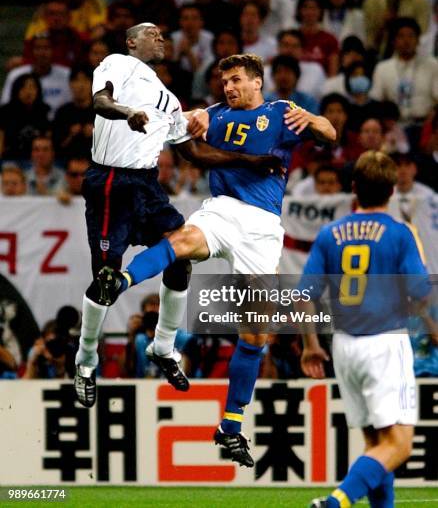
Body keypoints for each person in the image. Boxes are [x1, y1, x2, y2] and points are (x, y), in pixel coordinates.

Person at [94, 53, 336, 466]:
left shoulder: (281, 112)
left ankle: (230, 426)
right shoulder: (213, 115)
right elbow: (177, 132)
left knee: (257, 335)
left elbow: (330, 133)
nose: (229, 87)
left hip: (263, 229)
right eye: (224, 81)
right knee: (185, 240)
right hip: (223, 209)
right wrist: (188, 124)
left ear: (257, 83)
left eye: (237, 80)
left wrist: (312, 121)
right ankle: (120, 281)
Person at [73, 27, 283, 408]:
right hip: (109, 183)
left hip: (147, 185)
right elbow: (102, 103)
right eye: (150, 34)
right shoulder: (118, 64)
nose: (160, 38)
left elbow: (196, 155)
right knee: (104, 280)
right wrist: (129, 112)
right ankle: (86, 360)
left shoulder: (169, 101)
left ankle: (164, 346)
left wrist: (249, 160)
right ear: (131, 42)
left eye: (161, 34)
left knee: (180, 254)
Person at [300, 150, 431, 508]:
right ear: (392, 192)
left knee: (377, 444)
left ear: (354, 188)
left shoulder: (329, 234)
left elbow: (303, 296)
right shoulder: (400, 233)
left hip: (344, 348)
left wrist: (310, 345)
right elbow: (420, 292)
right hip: (385, 343)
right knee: (400, 444)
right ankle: (337, 501)